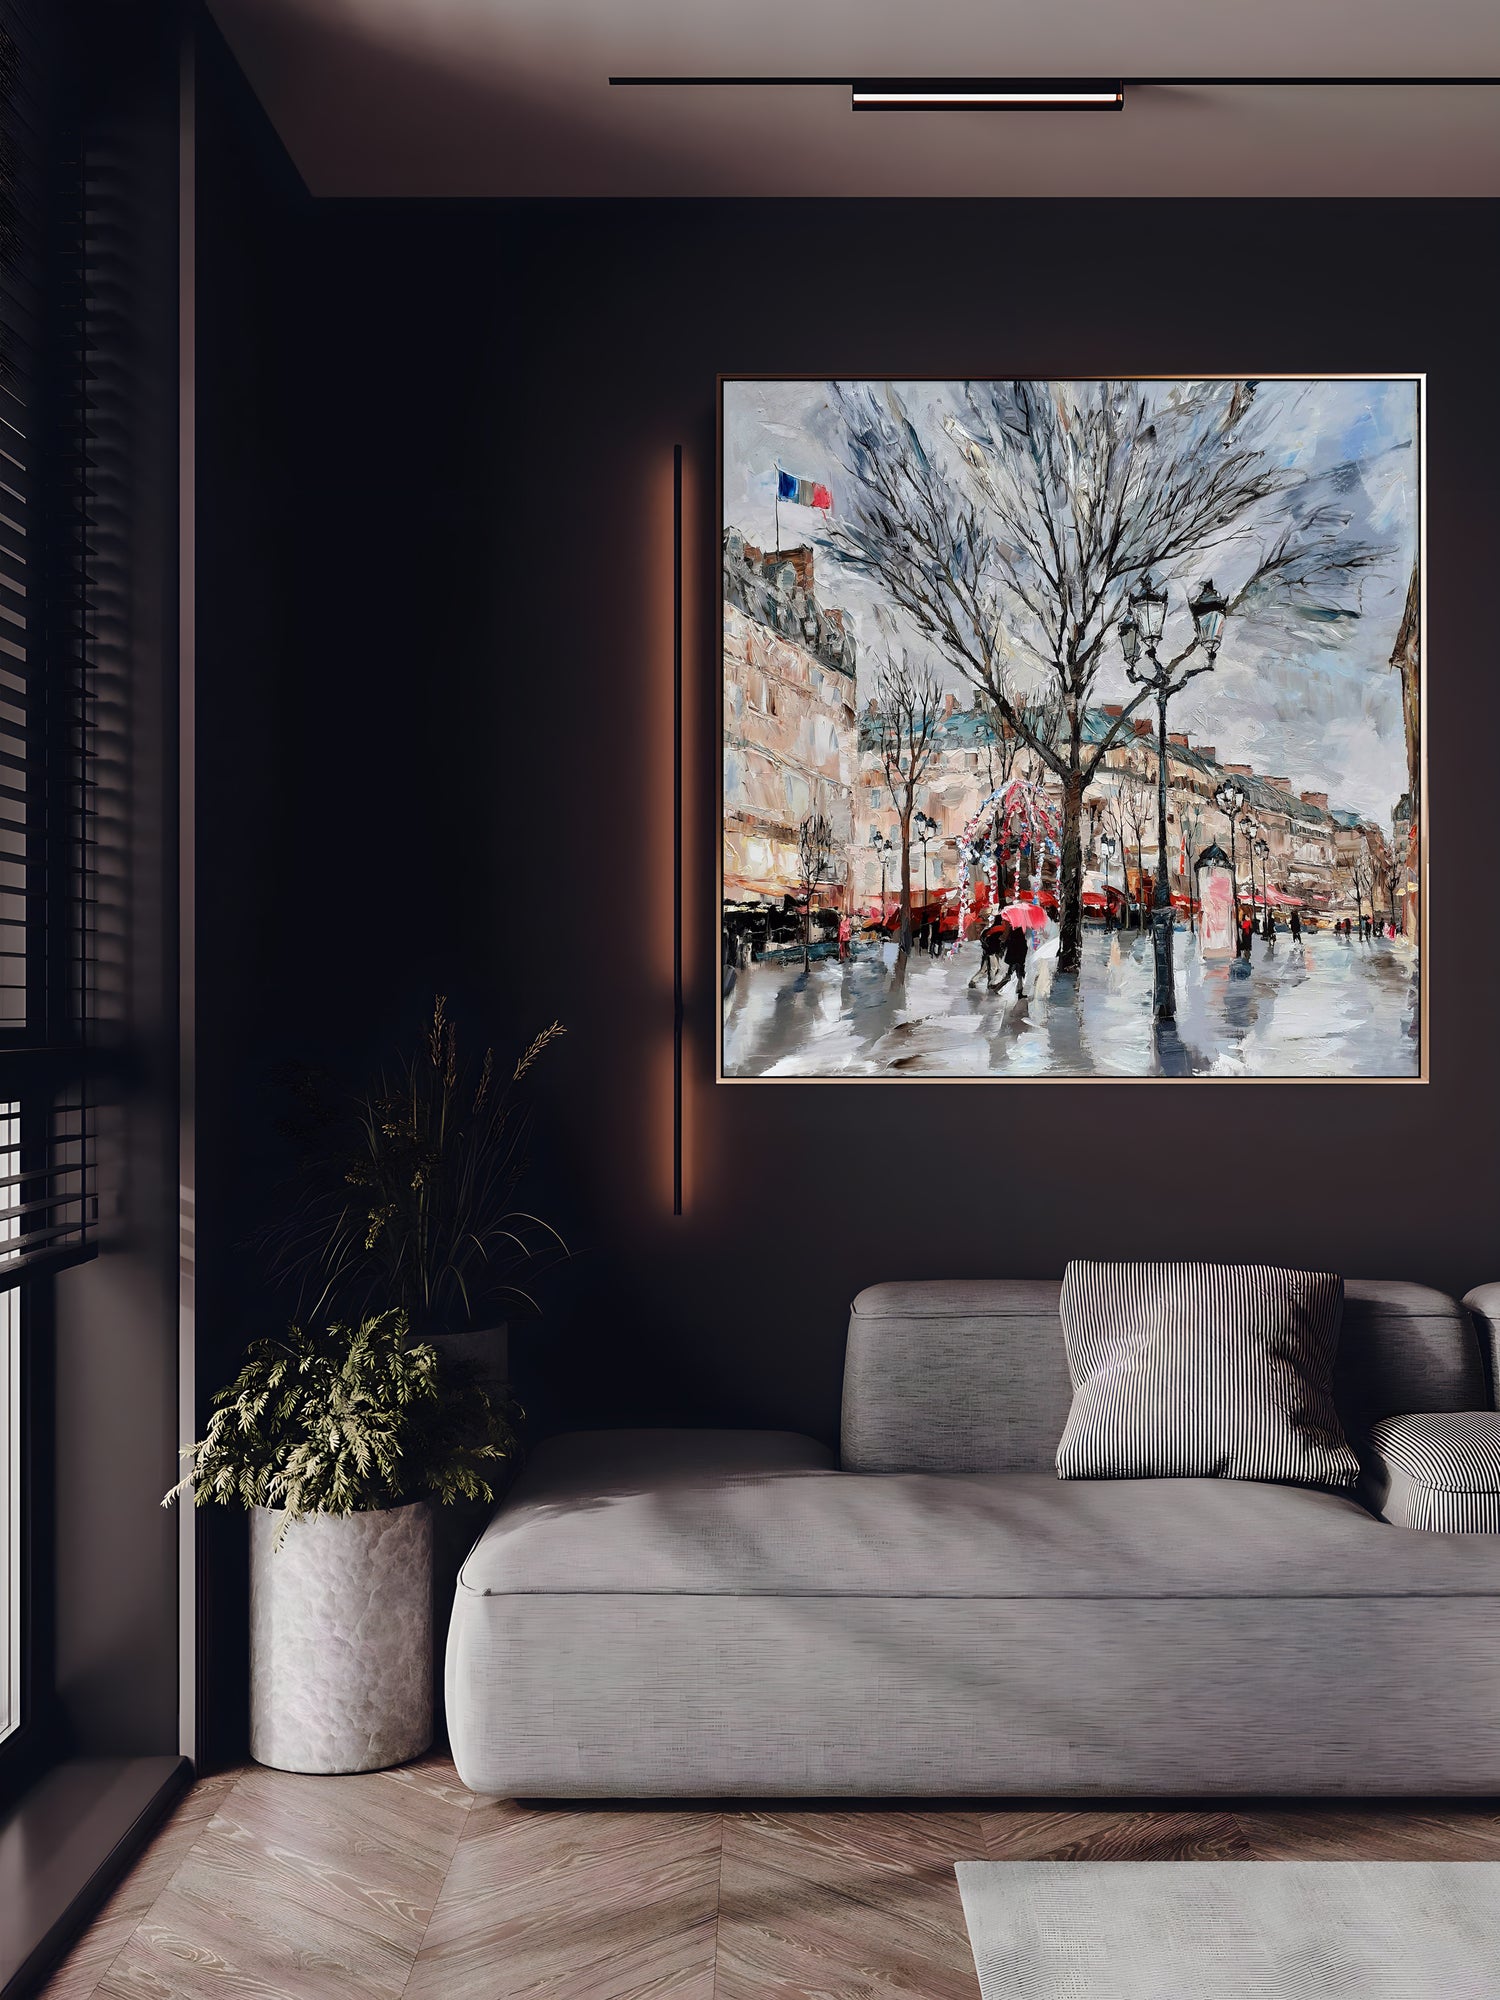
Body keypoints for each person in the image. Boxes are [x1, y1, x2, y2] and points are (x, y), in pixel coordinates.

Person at [995, 918, 1029, 994]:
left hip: (1014, 949)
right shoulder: (1027, 923)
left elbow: (1005, 937)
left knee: (1012, 970)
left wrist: (1002, 940)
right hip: (1021, 949)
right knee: (1019, 969)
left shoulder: (1011, 923)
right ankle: (1019, 988)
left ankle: (1000, 988)